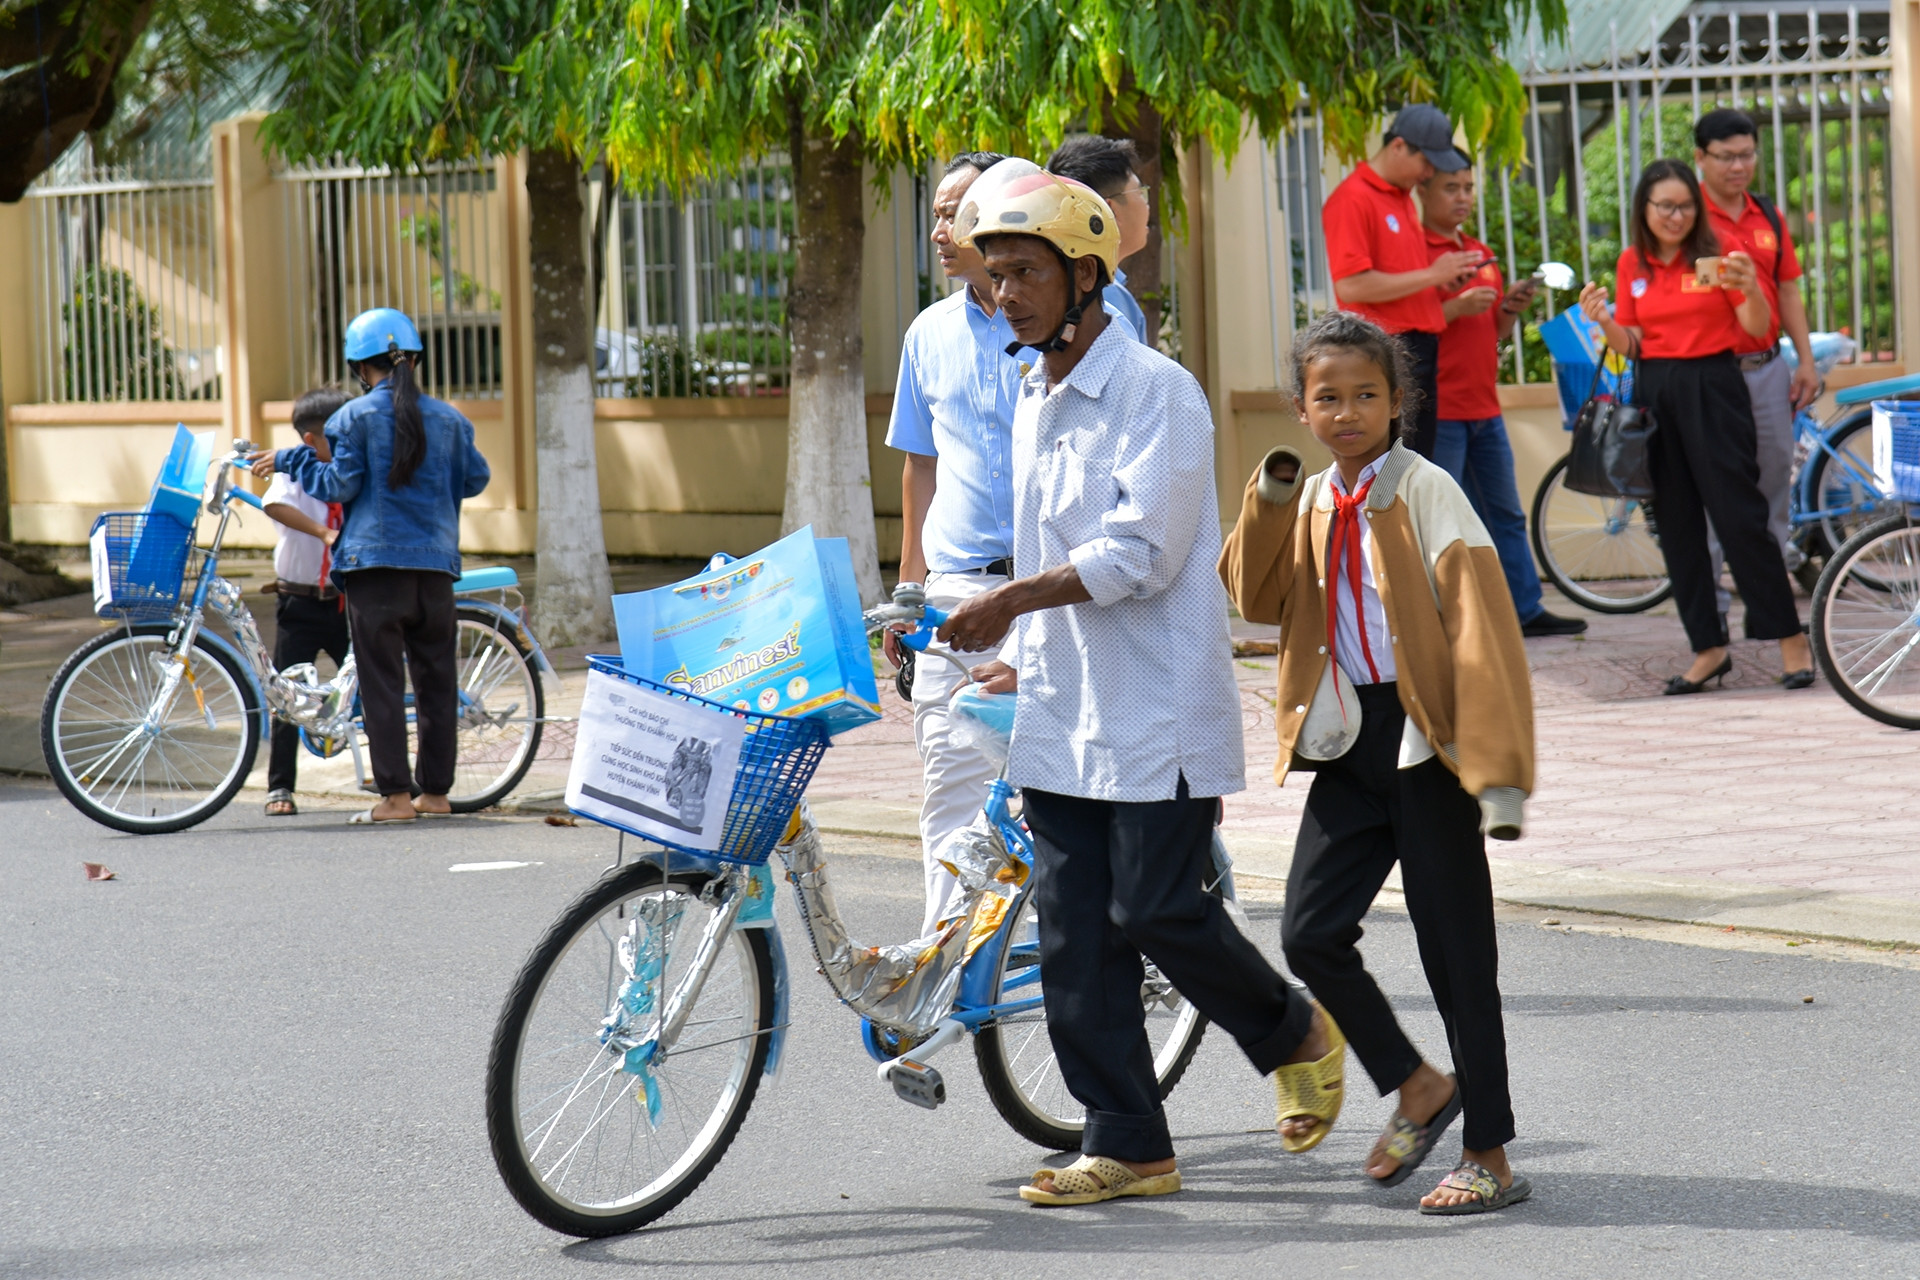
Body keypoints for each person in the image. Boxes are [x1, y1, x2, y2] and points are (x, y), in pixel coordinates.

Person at [936, 169, 1339, 1208]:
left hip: (1153, 698)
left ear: (1086, 275)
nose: (1006, 294)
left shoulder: (1158, 390)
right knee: (1073, 928)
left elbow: (1144, 553)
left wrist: (1013, 602)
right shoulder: (1034, 394)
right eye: (994, 275)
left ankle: (1290, 1025)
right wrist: (1017, 653)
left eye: (1025, 272)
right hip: (1063, 703)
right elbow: (1043, 540)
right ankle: (1127, 1138)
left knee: (1157, 906)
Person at [1220, 309, 1534, 1214]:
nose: (1348, 411)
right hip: (1350, 741)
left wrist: (1498, 766)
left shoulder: (1427, 487)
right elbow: (1255, 595)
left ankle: (1489, 1156)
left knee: (1456, 955)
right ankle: (1415, 1081)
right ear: (1301, 409)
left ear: (1399, 402)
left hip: (1427, 738)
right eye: (1329, 398)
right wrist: (1272, 498)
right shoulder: (1311, 495)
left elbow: (1481, 624)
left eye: (1367, 395)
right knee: (1309, 932)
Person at [887, 154, 1137, 936]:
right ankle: (942, 968)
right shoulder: (927, 335)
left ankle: (1097, 944)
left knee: (1067, 787)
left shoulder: (1083, 314)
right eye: (935, 212)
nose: (940, 228)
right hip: (957, 594)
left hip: (1050, 591)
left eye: (956, 210)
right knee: (950, 785)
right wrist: (908, 594)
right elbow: (919, 467)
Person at [1578, 161, 1814, 692]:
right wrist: (1605, 320)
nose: (1676, 215)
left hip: (1715, 386)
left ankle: (1789, 639)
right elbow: (1632, 345)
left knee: (1741, 516)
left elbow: (1756, 328)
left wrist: (1752, 288)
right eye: (1665, 205)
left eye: (1685, 205)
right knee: (1678, 525)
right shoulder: (1632, 263)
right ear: (1645, 208)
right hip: (1656, 393)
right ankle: (1708, 648)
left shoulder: (1717, 257)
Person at [250, 308, 492, 823]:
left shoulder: (351, 419)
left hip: (373, 571)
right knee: (436, 680)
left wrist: (296, 460)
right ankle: (437, 795)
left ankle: (397, 799)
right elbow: (475, 480)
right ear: (415, 359)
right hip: (436, 572)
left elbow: (338, 486)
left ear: (361, 368)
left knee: (381, 682)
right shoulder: (451, 420)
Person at [1416, 166, 1587, 638]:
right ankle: (1439, 617)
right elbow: (1409, 323)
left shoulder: (1480, 252)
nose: (1462, 197)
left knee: (1505, 513)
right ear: (1423, 190)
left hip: (1484, 407)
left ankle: (1525, 609)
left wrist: (1507, 308)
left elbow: (1492, 330)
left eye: (1468, 187)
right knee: (1440, 519)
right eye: (1451, 187)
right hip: (1441, 409)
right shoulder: (1418, 256)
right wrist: (1454, 307)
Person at [1694, 108, 1820, 573]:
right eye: (1726, 156)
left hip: (1766, 369)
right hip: (1708, 372)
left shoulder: (1767, 214)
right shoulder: (1686, 219)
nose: (1737, 166)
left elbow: (1787, 288)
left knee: (1772, 478)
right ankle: (1711, 598)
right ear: (1700, 158)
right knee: (1709, 484)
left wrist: (1804, 360)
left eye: (1746, 155)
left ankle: (1768, 589)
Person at [1322, 104, 1481, 458]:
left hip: (1419, 347)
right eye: (1426, 162)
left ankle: (1401, 515)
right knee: (1392, 462)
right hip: (1388, 348)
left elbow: (1399, 278)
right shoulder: (1353, 198)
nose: (1428, 174)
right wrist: (1432, 274)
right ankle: (1381, 516)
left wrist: (1443, 283)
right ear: (1398, 147)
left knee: (1414, 463)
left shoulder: (1403, 198)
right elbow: (1351, 286)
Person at [260, 387, 355, 817]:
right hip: (298, 602)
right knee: (286, 696)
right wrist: (323, 533)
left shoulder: (351, 465)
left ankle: (390, 779)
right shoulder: (293, 468)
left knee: (369, 686)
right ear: (310, 440)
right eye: (336, 434)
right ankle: (280, 786)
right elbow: (276, 505)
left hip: (345, 600)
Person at [1044, 133, 1151, 341]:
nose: (1147, 206)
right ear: (1107, 211)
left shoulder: (1056, 285)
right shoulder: (1104, 297)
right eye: (1140, 193)